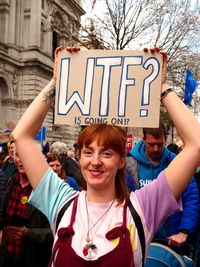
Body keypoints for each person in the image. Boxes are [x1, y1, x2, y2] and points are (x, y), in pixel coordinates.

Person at [12, 46, 200, 267]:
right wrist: (57, 81)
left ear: (122, 160)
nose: (95, 161)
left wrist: (161, 87)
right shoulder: (61, 202)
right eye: (88, 152)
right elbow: (21, 136)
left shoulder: (143, 207)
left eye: (107, 153)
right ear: (79, 158)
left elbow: (195, 144)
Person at [126, 122, 200, 259]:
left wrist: (184, 231)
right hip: (137, 240)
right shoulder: (129, 165)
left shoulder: (176, 163)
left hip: (171, 244)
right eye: (151, 144)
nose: (155, 149)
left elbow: (191, 197)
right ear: (143, 139)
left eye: (160, 144)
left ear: (165, 139)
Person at [0, 145, 53, 267]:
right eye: (19, 155)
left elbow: (55, 232)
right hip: (6, 257)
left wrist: (28, 233)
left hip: (32, 259)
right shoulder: (11, 182)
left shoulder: (46, 190)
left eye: (27, 155)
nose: (23, 160)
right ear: (14, 158)